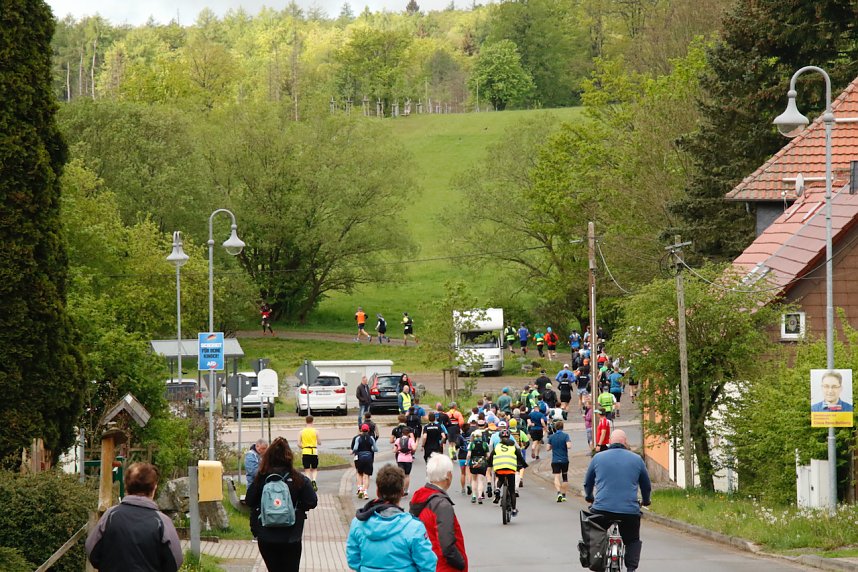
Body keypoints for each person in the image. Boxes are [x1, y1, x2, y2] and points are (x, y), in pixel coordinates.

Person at [86, 462, 183, 572]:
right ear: (154, 488)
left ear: (126, 486)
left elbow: (92, 550)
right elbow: (175, 561)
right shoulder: (162, 522)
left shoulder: (111, 515)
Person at [244, 438, 318, 572]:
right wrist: (298, 507)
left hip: (266, 534)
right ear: (289, 457)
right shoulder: (297, 478)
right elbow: (312, 501)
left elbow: (249, 501)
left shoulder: (261, 478)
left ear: (268, 456)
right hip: (292, 535)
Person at [347, 465, 437, 572]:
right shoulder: (414, 528)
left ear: (377, 492)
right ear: (402, 493)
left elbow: (353, 560)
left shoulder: (358, 523)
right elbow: (428, 565)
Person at [583, 430, 651, 572]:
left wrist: (589, 496)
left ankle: (597, 561)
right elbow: (646, 485)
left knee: (596, 535)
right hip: (629, 511)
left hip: (601, 509)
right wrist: (646, 500)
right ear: (625, 442)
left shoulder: (598, 458)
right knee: (632, 540)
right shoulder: (637, 459)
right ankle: (631, 568)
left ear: (609, 442)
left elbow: (588, 482)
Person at [410, 454, 469, 572]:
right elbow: (447, 545)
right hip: (444, 566)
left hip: (427, 563)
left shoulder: (420, 498)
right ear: (448, 475)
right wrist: (461, 563)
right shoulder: (442, 505)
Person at [488, 429, 525, 517]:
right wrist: (523, 464)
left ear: (500, 438)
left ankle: (497, 488)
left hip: (499, 468)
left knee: (500, 478)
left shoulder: (497, 446)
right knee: (512, 491)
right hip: (510, 469)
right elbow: (520, 457)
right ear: (509, 437)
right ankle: (514, 509)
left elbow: (491, 457)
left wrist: (489, 464)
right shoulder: (513, 446)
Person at [547, 420, 572, 502]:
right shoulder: (566, 436)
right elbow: (569, 446)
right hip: (564, 459)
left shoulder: (551, 437)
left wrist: (552, 446)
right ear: (562, 427)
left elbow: (547, 448)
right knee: (565, 477)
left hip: (555, 460)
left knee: (556, 477)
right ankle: (564, 495)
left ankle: (558, 493)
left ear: (555, 428)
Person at [352, 424, 379, 499]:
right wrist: (371, 449)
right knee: (366, 476)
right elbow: (375, 449)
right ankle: (365, 492)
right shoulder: (371, 438)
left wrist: (353, 451)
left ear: (361, 430)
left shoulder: (358, 438)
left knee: (359, 473)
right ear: (368, 430)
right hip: (369, 458)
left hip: (360, 458)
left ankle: (360, 489)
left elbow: (355, 448)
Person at [466, 423, 490, 504]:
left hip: (473, 462)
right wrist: (487, 460)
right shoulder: (484, 444)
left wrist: (467, 461)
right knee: (481, 480)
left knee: (474, 480)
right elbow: (488, 455)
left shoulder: (472, 444)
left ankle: (474, 496)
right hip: (482, 462)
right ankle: (480, 496)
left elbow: (469, 455)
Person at [299, 415, 320, 491]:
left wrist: (303, 447)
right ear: (312, 421)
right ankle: (314, 480)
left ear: (306, 421)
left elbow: (299, 443)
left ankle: (308, 482)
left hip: (305, 451)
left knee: (307, 469)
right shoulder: (316, 431)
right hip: (314, 451)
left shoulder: (301, 432)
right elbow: (319, 442)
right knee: (314, 468)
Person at [394, 427, 418, 495]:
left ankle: (401, 489)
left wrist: (399, 451)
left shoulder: (398, 440)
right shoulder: (410, 440)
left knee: (401, 475)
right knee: (407, 475)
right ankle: (406, 490)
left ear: (402, 433)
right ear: (409, 434)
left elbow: (394, 450)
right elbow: (414, 448)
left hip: (400, 459)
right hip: (408, 459)